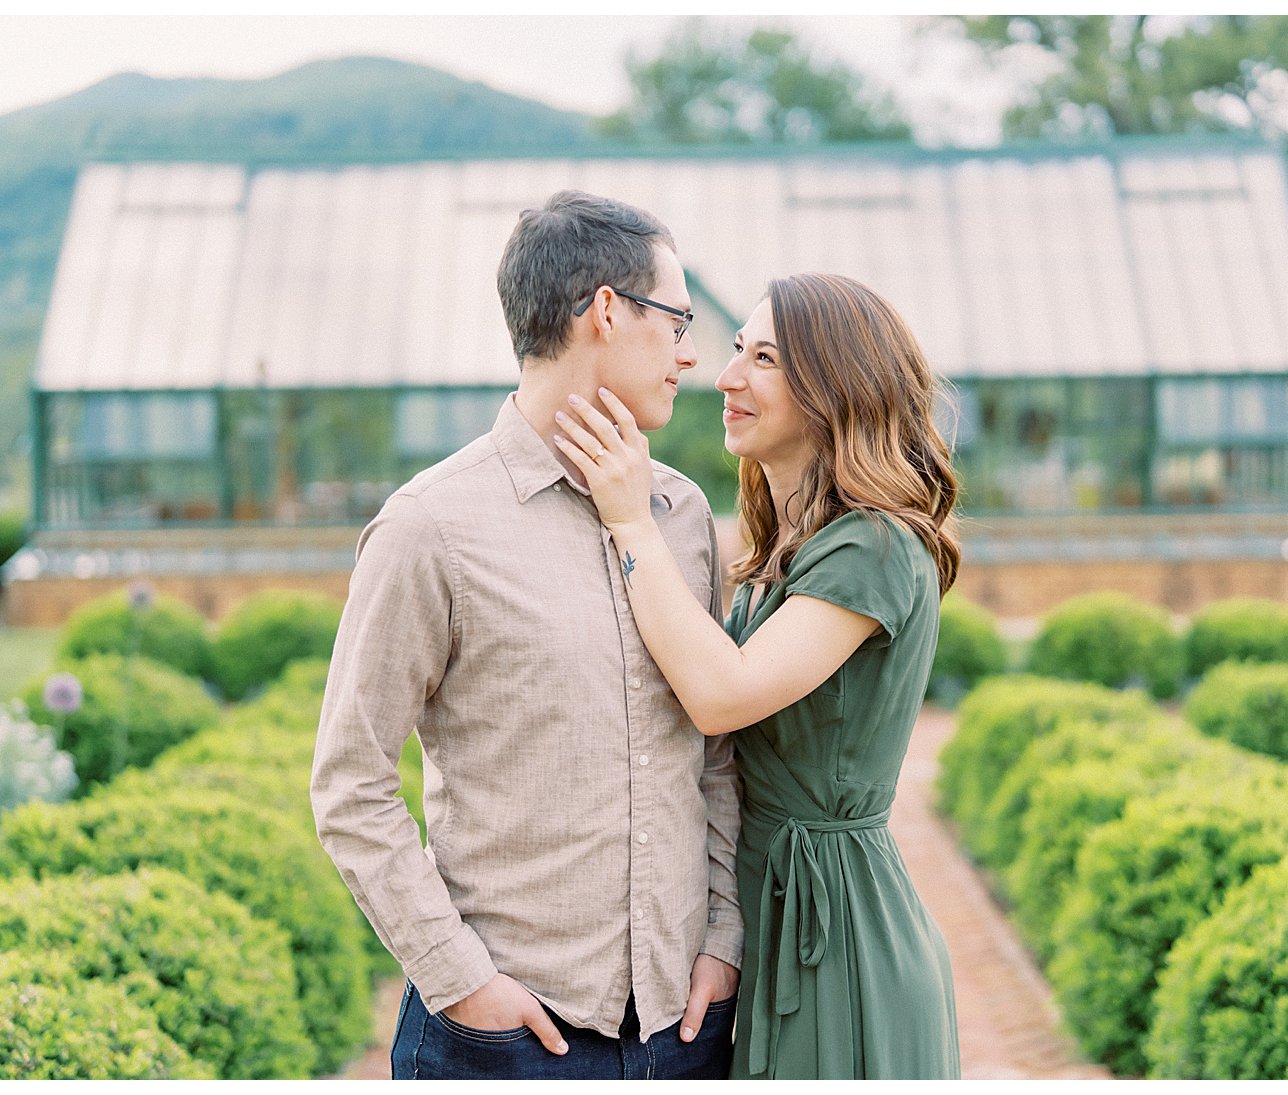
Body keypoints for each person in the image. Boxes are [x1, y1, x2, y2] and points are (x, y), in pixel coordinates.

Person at [310, 190, 742, 1081]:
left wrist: (725, 935)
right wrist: (460, 980)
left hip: (685, 1027)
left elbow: (717, 755)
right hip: (506, 1036)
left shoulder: (686, 515)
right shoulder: (429, 527)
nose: (691, 354)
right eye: (677, 321)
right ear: (608, 312)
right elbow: (351, 783)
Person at [554, 272, 962, 1079]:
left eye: (765, 358)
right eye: (737, 349)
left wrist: (630, 518)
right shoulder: (792, 548)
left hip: (837, 934)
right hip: (775, 919)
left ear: (835, 385)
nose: (727, 376)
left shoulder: (872, 545)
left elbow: (721, 693)